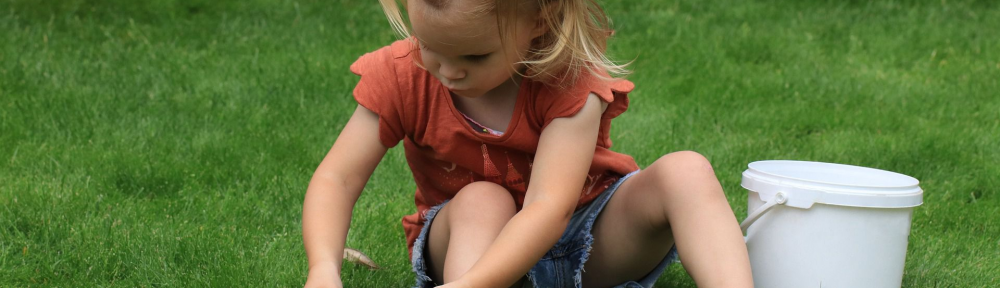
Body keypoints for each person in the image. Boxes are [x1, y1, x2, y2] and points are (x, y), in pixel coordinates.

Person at [302, 0, 753, 287]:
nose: (448, 71)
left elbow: (548, 208)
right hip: (470, 250)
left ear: (539, 21)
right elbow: (337, 178)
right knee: (483, 197)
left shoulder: (570, 83)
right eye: (428, 45)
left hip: (583, 240)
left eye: (475, 56)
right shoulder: (402, 74)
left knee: (687, 171)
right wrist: (323, 268)